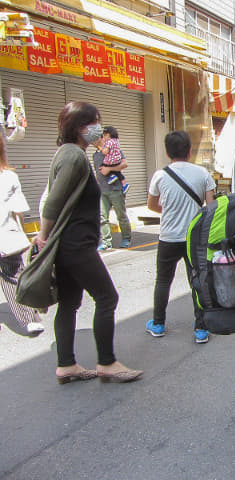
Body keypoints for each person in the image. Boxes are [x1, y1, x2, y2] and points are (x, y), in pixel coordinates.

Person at [35, 101, 142, 384]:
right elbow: (53, 201)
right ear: (80, 127)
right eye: (95, 122)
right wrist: (43, 235)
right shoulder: (74, 156)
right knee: (107, 297)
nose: (100, 129)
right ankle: (107, 362)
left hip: (70, 243)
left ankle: (66, 365)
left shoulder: (70, 152)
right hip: (76, 244)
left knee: (69, 302)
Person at [145, 131, 216, 343]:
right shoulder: (203, 174)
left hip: (168, 237)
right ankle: (201, 328)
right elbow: (211, 208)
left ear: (167, 152)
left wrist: (168, 211)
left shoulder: (160, 175)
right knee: (197, 280)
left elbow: (151, 205)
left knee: (163, 280)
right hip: (193, 238)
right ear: (190, 150)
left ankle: (158, 324)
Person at [0, 135, 45, 336]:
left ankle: (29, 317)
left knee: (13, 275)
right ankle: (30, 317)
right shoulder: (9, 176)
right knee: (14, 275)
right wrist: (24, 233)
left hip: (6, 234)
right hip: (7, 234)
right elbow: (19, 210)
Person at [93, 134, 132, 251]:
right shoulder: (95, 155)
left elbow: (124, 164)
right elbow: (97, 172)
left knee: (121, 215)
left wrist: (109, 169)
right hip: (102, 191)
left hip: (115, 189)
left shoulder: (114, 150)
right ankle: (106, 242)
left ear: (102, 138)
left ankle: (126, 238)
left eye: (95, 139)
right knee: (102, 217)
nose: (92, 142)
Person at [97, 126, 130, 195]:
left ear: (108, 135)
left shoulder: (109, 142)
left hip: (111, 160)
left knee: (102, 166)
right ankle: (124, 183)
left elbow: (106, 151)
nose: (104, 138)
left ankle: (112, 175)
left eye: (105, 136)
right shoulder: (116, 141)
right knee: (118, 172)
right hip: (117, 160)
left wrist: (102, 150)